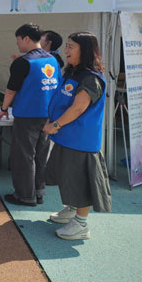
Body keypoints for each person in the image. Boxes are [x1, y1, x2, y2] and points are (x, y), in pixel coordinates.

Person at [43, 32, 111, 240]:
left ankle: (81, 224)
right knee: (68, 177)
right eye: (67, 45)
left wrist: (55, 124)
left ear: (85, 50)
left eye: (71, 46)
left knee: (80, 181)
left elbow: (78, 108)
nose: (66, 50)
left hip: (80, 140)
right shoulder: (74, 72)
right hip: (68, 136)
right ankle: (72, 209)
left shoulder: (91, 78)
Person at [0, 23, 59, 206]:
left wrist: (3, 109)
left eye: (18, 40)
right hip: (48, 114)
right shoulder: (52, 60)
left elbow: (11, 90)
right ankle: (38, 192)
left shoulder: (23, 62)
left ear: (26, 38)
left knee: (23, 156)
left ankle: (24, 196)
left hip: (28, 114)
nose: (17, 44)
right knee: (40, 154)